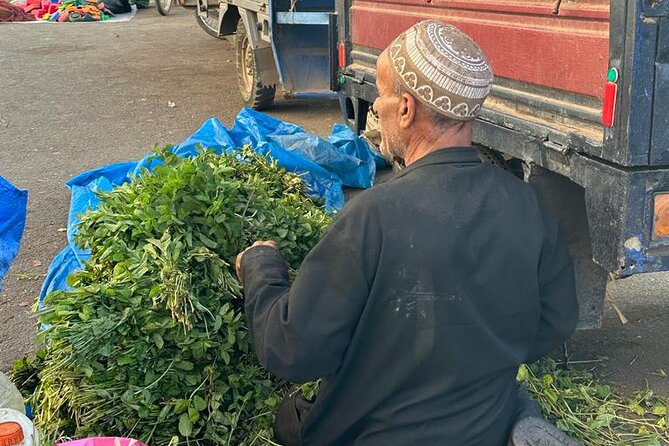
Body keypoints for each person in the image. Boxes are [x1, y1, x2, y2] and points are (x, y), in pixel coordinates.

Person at [236, 19, 579, 446]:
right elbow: (557, 321)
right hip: (480, 426)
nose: (375, 108)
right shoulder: (527, 205)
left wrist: (260, 266)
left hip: (373, 434)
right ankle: (517, 419)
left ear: (406, 108)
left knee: (291, 420)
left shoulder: (371, 217)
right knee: (510, 398)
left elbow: (292, 349)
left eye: (380, 95)